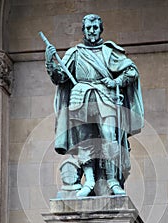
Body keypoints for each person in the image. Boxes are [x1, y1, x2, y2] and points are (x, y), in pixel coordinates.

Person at [45, 14, 144, 197]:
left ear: (100, 29)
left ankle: (113, 181)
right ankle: (89, 181)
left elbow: (132, 71)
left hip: (104, 96)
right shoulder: (74, 53)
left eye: (95, 28)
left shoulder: (109, 51)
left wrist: (116, 82)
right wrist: (50, 62)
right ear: (83, 30)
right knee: (85, 140)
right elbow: (60, 77)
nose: (92, 31)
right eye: (88, 28)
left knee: (109, 137)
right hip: (81, 98)